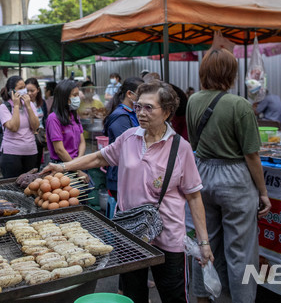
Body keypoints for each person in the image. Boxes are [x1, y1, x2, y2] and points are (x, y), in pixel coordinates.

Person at [43, 80, 213, 303]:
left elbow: (193, 195)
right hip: (130, 233)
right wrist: (63, 166)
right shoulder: (129, 137)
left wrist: (204, 243)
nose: (141, 113)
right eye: (138, 106)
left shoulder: (180, 147)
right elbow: (99, 157)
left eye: (149, 107)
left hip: (168, 236)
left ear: (168, 112)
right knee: (134, 294)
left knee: (173, 296)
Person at [186, 48, 271, 303]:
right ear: (231, 74)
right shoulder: (240, 105)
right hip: (234, 178)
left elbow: (193, 141)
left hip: (201, 174)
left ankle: (204, 297)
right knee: (241, 251)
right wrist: (263, 192)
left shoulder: (193, 101)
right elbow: (252, 155)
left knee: (205, 242)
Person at [102, 77, 143, 198]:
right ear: (130, 94)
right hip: (120, 175)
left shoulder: (131, 113)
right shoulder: (121, 117)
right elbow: (128, 149)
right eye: (141, 95)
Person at [0, 76, 40, 178]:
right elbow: (14, 127)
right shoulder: (4, 107)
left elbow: (35, 127)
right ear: (11, 91)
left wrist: (28, 106)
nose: (24, 90)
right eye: (20, 88)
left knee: (30, 184)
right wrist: (16, 106)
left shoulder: (29, 104)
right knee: (12, 185)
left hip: (31, 152)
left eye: (24, 87)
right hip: (11, 154)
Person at [45, 80, 87, 180]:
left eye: (78, 94)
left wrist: (78, 161)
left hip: (77, 163)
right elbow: (59, 150)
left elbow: (82, 142)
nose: (78, 98)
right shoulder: (53, 118)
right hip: (62, 165)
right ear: (64, 97)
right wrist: (76, 169)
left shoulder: (74, 115)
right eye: (74, 95)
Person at [25, 78, 48, 164]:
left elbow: (45, 119)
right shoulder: (22, 103)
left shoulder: (42, 103)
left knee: (37, 162)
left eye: (32, 91)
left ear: (38, 90)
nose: (29, 93)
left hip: (39, 137)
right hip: (27, 137)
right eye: (27, 90)